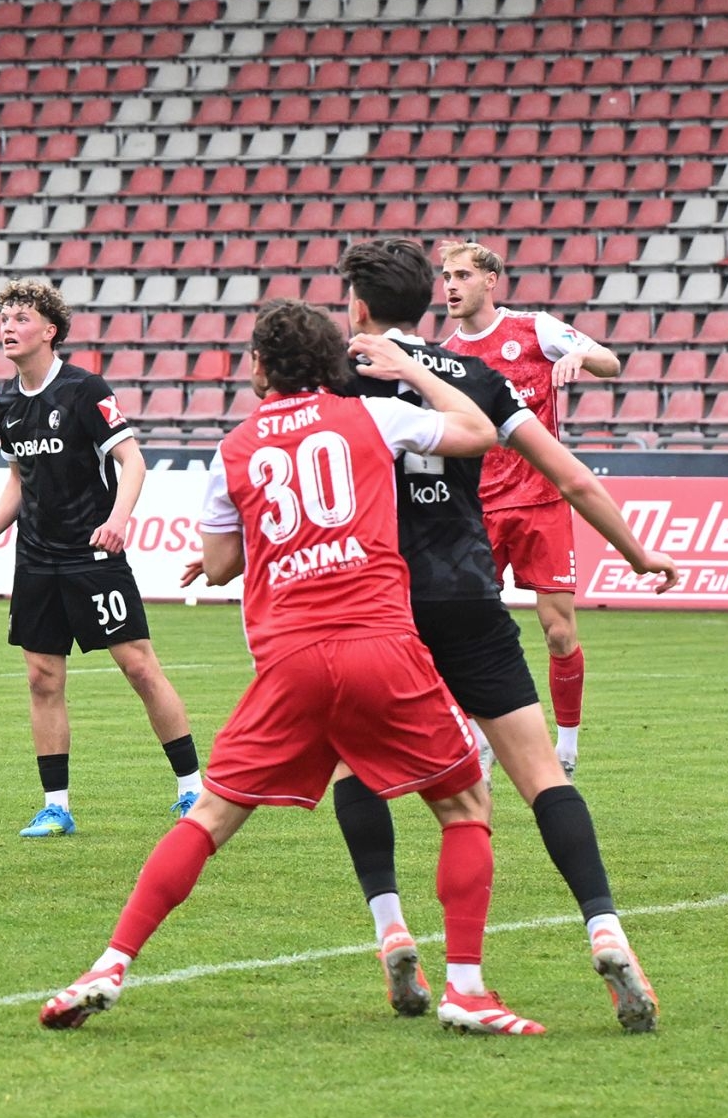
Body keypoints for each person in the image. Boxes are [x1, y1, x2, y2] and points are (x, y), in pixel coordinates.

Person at [42, 299, 548, 1037]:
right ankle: (466, 988)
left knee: (211, 816)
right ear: (332, 364)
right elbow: (475, 431)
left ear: (258, 366)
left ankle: (109, 963)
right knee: (465, 806)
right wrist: (414, 373)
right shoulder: (368, 415)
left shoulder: (235, 447)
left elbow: (218, 561)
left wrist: (244, 556)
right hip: (380, 645)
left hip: (288, 659)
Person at [329, 239, 676, 1031]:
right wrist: (637, 551)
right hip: (467, 595)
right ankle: (605, 927)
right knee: (540, 774)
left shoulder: (337, 377)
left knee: (357, 766)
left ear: (357, 304)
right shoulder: (476, 380)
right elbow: (572, 475)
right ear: (428, 298)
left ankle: (391, 928)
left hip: (380, 603)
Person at [0, 279, 202, 838]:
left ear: (50, 331)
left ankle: (193, 788)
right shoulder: (5, 401)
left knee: (139, 667)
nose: (8, 327)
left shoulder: (84, 389)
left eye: (21, 318)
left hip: (92, 556)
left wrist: (118, 520)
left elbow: (133, 461)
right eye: (5, 318)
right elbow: (19, 480)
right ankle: (56, 806)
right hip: (36, 560)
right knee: (42, 678)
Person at [439, 240, 622, 777]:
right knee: (467, 627)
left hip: (541, 500)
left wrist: (580, 354)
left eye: (462, 275)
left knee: (558, 630)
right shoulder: (445, 355)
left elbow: (610, 363)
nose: (450, 285)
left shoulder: (534, 329)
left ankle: (566, 745)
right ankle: (480, 737)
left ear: (490, 280)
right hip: (476, 510)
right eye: (446, 276)